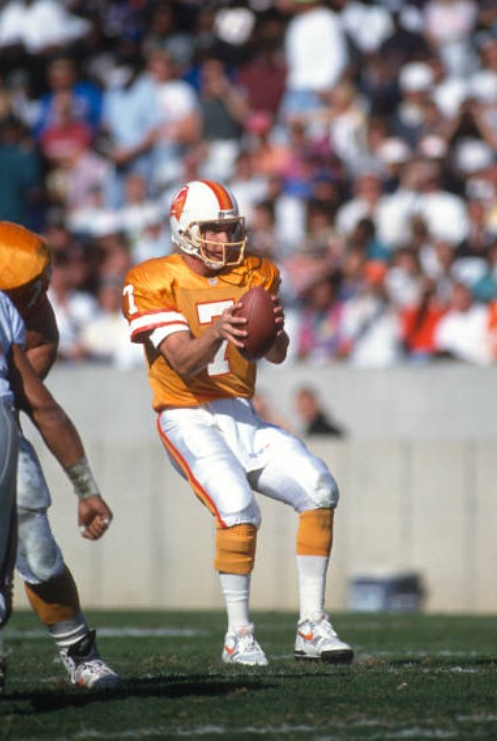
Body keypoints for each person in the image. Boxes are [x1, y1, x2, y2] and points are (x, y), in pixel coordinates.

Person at [122, 179, 353, 666]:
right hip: (186, 414)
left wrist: (271, 330)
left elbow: (278, 354)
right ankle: (238, 636)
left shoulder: (255, 273)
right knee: (237, 508)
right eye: (213, 229)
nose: (224, 239)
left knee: (320, 488)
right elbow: (184, 362)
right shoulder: (153, 279)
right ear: (185, 231)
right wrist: (217, 331)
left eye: (229, 229)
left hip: (242, 411)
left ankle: (312, 625)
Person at [0, 220, 120, 689]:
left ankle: (78, 651)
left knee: (36, 546)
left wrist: (86, 488)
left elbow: (40, 358)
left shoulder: (4, 284)